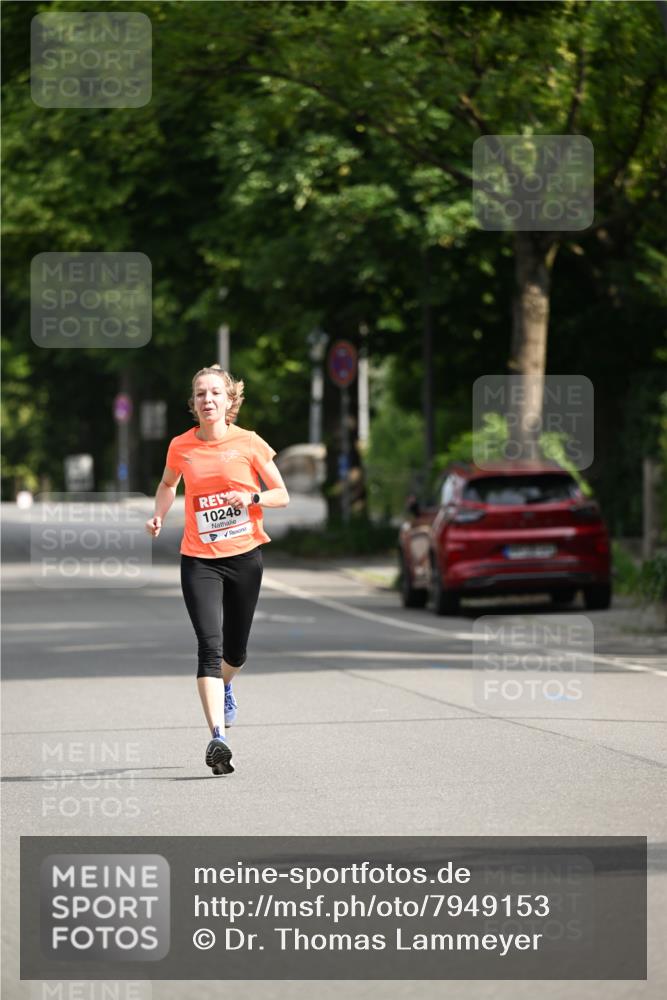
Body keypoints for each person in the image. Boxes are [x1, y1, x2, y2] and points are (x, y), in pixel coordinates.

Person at [145, 365, 289, 775]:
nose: (207, 400)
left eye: (214, 393)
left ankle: (226, 684)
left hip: (244, 557)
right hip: (198, 559)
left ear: (229, 400)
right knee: (208, 648)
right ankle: (218, 738)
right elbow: (168, 484)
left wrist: (254, 498)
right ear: (193, 403)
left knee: (234, 652)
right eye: (200, 394)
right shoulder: (181, 446)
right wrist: (159, 515)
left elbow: (282, 493)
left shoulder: (249, 442)